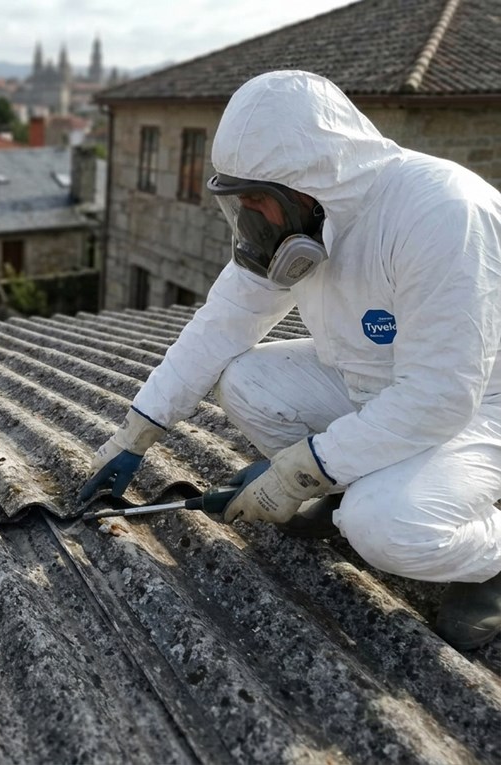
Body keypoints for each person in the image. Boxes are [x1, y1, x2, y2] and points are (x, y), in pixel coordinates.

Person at [79, 70, 501, 651]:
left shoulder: (441, 212)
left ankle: (488, 564)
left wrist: (303, 468)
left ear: (310, 183)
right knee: (245, 380)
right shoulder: (305, 221)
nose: (249, 218)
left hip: (479, 406)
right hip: (373, 386)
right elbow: (221, 325)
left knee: (384, 527)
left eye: (257, 202)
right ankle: (342, 489)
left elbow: (440, 396)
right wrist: (136, 432)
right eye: (239, 202)